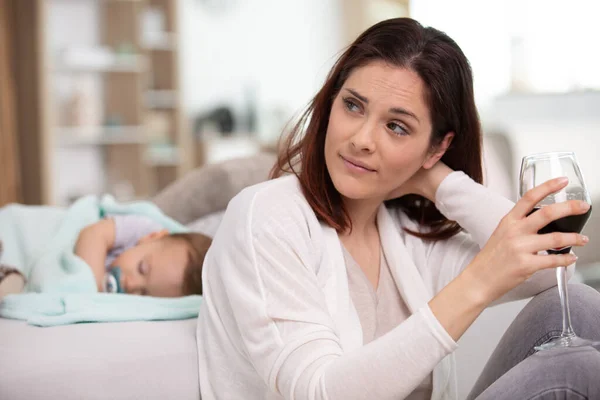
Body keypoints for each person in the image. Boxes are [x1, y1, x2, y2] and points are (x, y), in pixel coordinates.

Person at [196, 17, 600, 399]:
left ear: (438, 146)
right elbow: (317, 392)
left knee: (581, 304)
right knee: (577, 370)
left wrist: (439, 181)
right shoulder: (267, 214)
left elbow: (551, 270)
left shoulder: (405, 236)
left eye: (396, 126)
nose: (361, 139)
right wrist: (479, 281)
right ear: (331, 100)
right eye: (353, 106)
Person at [75, 215, 211, 296]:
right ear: (152, 237)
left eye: (143, 293)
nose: (131, 284)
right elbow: (93, 234)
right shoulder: (142, 229)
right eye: (141, 268)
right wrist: (96, 292)